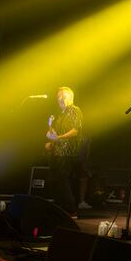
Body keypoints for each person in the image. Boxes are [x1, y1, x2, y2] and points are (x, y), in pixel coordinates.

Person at [45, 86, 88, 216]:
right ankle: (60, 210)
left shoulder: (74, 110)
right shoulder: (59, 115)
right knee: (55, 180)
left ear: (70, 98)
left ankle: (71, 211)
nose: (60, 99)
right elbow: (55, 134)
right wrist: (51, 141)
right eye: (58, 97)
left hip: (68, 152)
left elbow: (76, 130)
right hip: (57, 152)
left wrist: (58, 138)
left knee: (62, 180)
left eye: (63, 96)